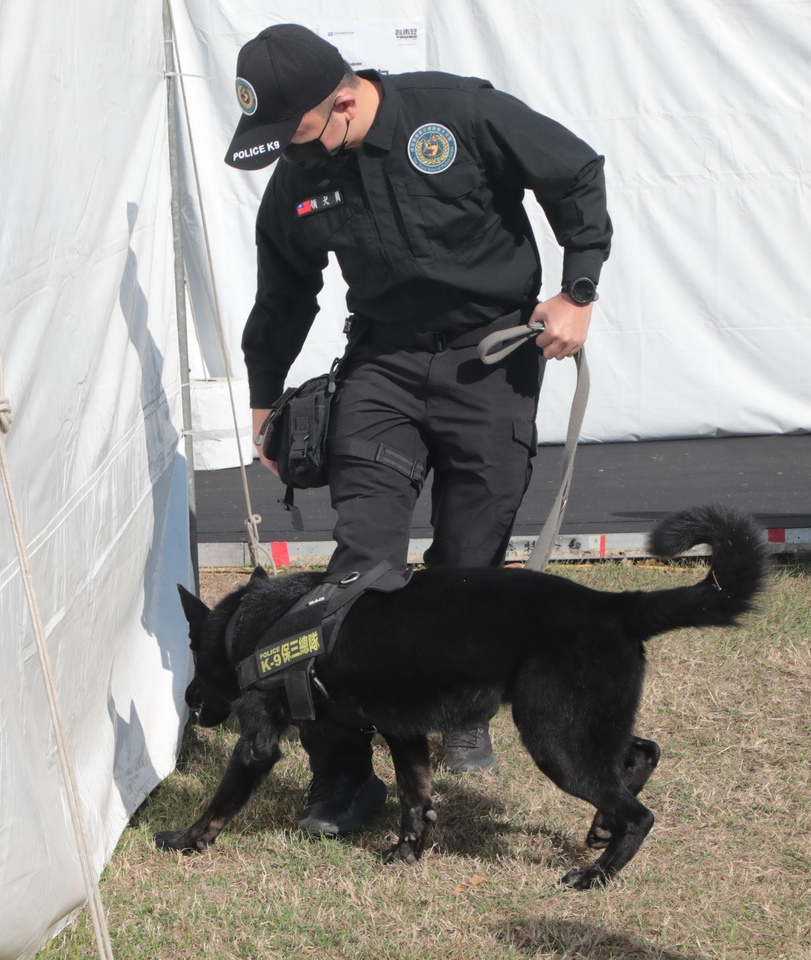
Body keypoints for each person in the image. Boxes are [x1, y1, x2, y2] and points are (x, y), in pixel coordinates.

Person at [224, 24, 612, 836]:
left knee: (467, 569)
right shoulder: (299, 173)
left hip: (492, 361)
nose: (286, 155)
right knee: (359, 578)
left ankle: (455, 712)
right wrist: (264, 399)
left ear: (341, 101)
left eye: (291, 134)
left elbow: (573, 170)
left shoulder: (455, 113)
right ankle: (343, 779)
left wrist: (577, 290)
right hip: (383, 369)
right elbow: (285, 289)